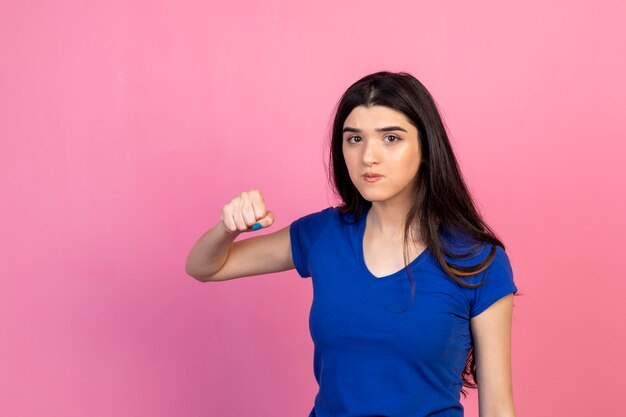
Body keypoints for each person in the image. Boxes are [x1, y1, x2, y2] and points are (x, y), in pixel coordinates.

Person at [185, 71, 520, 417]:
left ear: (425, 149)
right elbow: (204, 267)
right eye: (354, 139)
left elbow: (496, 407)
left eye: (391, 138)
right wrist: (227, 228)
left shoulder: (479, 260)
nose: (368, 157)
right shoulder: (322, 235)